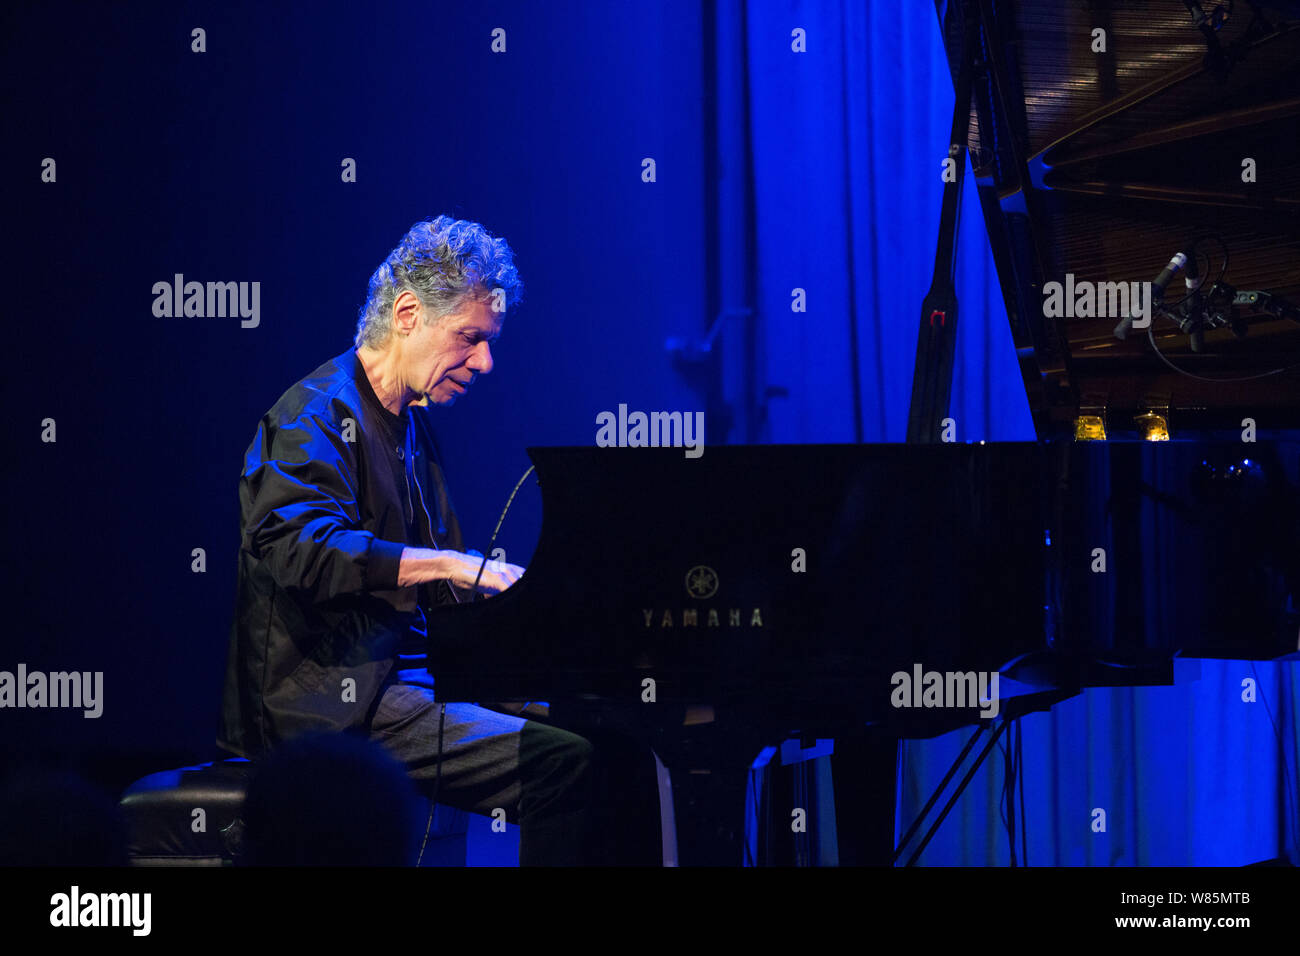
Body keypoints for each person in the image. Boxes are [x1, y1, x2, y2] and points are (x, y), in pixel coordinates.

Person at [216, 215, 595, 865]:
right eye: (471, 338)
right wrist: (453, 563)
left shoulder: (413, 427)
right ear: (410, 313)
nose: (486, 361)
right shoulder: (314, 416)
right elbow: (299, 548)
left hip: (409, 687)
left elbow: (450, 600)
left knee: (598, 725)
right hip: (335, 706)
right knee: (566, 765)